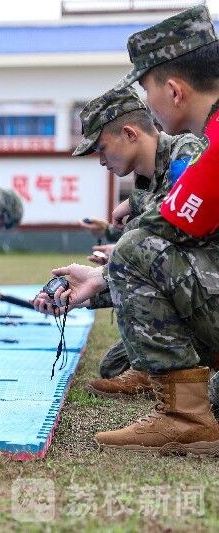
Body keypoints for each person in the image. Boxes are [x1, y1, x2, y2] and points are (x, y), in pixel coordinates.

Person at [35, 5, 219, 455]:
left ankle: (184, 419)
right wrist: (100, 276)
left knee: (136, 246)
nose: (148, 106)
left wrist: (105, 270)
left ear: (173, 90)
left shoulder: (202, 147)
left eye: (146, 89)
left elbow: (163, 233)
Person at [68, 86, 202, 394]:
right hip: (191, 288)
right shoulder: (144, 184)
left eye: (102, 148)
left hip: (209, 287)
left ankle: (191, 369)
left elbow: (183, 220)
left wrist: (135, 204)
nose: (101, 160)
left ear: (130, 134)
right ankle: (177, 366)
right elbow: (146, 268)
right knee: (114, 366)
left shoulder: (186, 151)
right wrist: (83, 297)